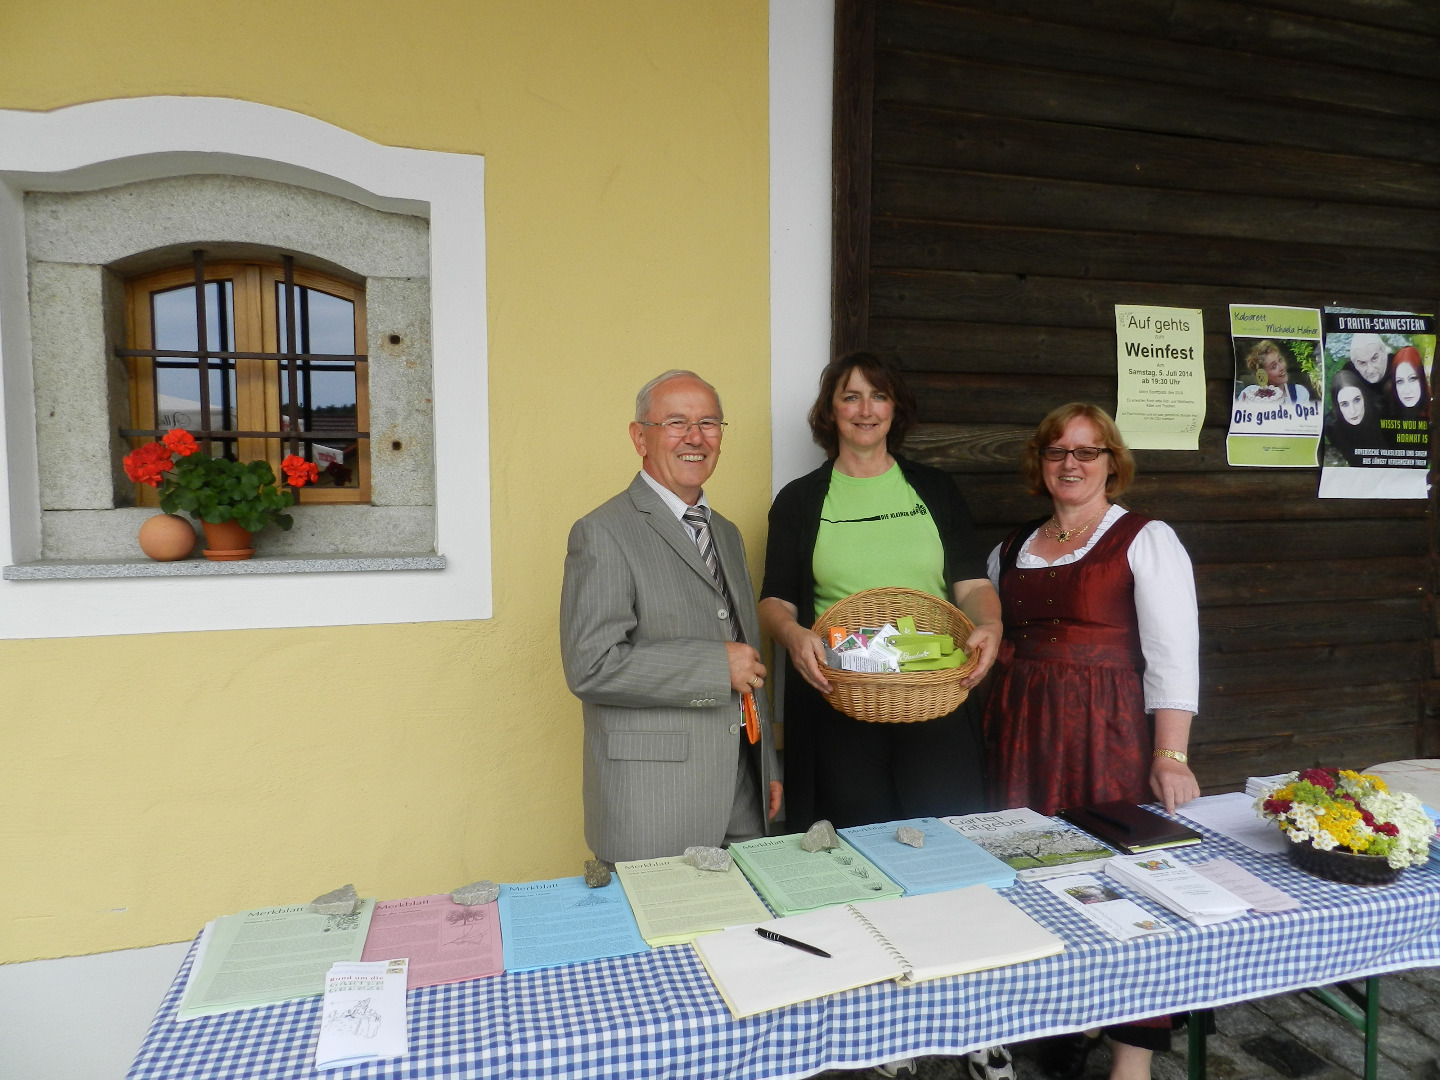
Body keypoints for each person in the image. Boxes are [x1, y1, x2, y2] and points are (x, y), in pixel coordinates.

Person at [984, 403, 1199, 1080]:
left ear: (1111, 461)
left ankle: (1131, 1058)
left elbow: (1172, 654)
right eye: (1057, 451)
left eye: (1087, 450)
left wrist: (1170, 754)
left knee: (1124, 881)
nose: (1070, 463)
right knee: (1031, 870)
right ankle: (1065, 1014)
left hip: (1107, 733)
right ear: (1040, 463)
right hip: (1021, 731)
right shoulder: (1010, 548)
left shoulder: (1145, 539)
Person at [758, 352, 1001, 831]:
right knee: (856, 843)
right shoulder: (799, 500)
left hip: (935, 697)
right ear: (830, 410)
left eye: (879, 396)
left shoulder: (935, 489)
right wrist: (792, 634)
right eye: (851, 397)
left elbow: (972, 583)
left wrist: (990, 623)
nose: (865, 410)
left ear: (895, 408)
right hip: (841, 700)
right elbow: (775, 601)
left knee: (944, 838)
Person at [560, 370, 781, 865]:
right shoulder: (602, 532)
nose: (695, 437)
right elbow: (591, 666)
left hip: (742, 791)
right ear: (640, 437)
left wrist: (765, 763)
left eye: (709, 423)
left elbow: (747, 657)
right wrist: (714, 667)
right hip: (654, 802)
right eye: (676, 422)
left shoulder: (726, 533)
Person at [1325, 369, 1382, 467]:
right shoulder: (1331, 426)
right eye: (1345, 404)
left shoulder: (1382, 413)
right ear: (1337, 406)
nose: (1353, 411)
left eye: (1356, 400)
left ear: (1364, 397)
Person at [1237, 339, 1310, 406]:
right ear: (1262, 375)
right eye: (1274, 366)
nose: (1282, 367)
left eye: (1280, 360)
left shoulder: (1299, 392)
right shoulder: (1249, 394)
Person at [1386, 345, 1430, 422]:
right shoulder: (1386, 410)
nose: (1407, 391)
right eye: (1400, 381)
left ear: (1421, 379)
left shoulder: (1434, 408)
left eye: (1412, 379)